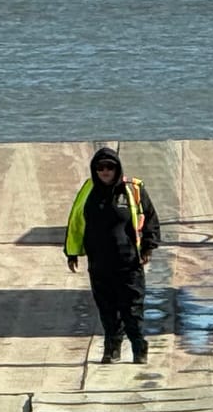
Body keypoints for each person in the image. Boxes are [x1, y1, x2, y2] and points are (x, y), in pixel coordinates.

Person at [64, 147, 162, 365]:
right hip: (99, 263)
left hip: (129, 263)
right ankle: (112, 349)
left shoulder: (133, 190)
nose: (105, 171)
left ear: (117, 169)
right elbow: (76, 223)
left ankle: (139, 347)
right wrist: (72, 253)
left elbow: (150, 219)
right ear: (94, 170)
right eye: (100, 168)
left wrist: (148, 247)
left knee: (132, 309)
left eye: (110, 167)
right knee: (107, 309)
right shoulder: (88, 191)